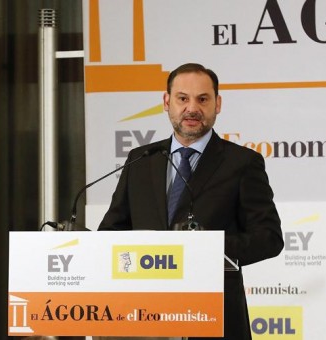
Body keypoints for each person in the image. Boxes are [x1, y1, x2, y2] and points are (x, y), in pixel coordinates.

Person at [98, 63, 284, 340]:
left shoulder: (242, 163)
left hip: (212, 318)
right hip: (143, 317)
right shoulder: (141, 160)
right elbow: (111, 232)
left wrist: (206, 248)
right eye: (182, 98)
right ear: (166, 102)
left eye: (203, 99)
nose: (192, 108)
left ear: (217, 104)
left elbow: (268, 238)